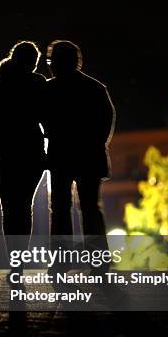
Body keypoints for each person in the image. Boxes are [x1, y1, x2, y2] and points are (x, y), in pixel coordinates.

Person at [44, 40, 115, 271]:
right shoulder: (95, 88)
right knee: (91, 208)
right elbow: (105, 123)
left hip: (60, 156)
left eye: (52, 60)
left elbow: (41, 121)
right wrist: (93, 145)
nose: (51, 65)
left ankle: (61, 262)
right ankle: (99, 260)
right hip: (89, 158)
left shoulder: (49, 89)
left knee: (61, 209)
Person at [0, 41, 47, 264]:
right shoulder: (37, 82)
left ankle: (14, 261)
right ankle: (20, 259)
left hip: (5, 155)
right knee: (25, 206)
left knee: (9, 207)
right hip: (32, 154)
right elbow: (49, 118)